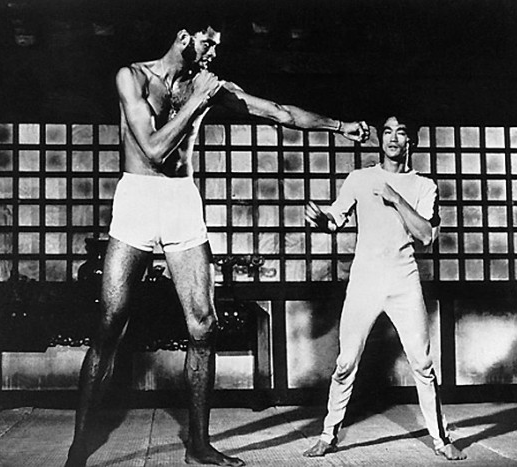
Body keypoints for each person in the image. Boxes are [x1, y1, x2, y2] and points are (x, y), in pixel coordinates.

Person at [64, 16, 370, 467]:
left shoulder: (207, 86)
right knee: (110, 325)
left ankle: (199, 445)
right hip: (137, 198)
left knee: (204, 326)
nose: (213, 53)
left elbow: (279, 112)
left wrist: (339, 126)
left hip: (181, 200)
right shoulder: (132, 76)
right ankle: (78, 447)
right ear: (183, 38)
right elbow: (153, 150)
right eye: (209, 44)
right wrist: (198, 100)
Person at [302, 116, 466, 461]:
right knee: (345, 362)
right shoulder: (360, 179)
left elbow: (426, 235)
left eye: (401, 132)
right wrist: (321, 220)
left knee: (422, 363)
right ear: (380, 139)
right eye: (387, 131)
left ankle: (441, 439)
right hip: (365, 279)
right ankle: (328, 435)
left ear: (411, 141)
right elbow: (335, 219)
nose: (393, 138)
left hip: (403, 279)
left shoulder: (424, 186)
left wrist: (395, 198)